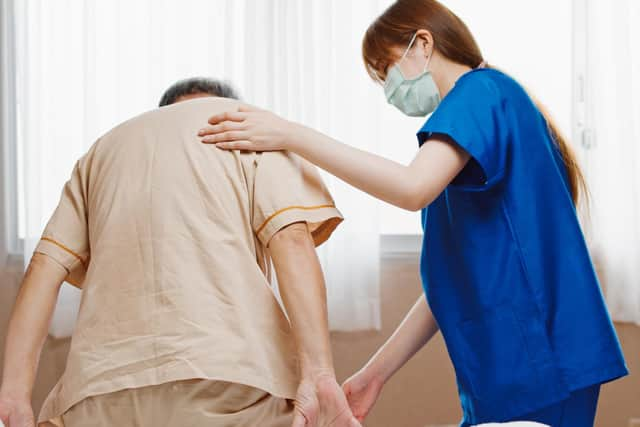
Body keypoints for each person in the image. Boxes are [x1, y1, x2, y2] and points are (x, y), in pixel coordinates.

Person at [197, 1, 629, 426]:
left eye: (384, 71)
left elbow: (410, 188)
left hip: (541, 358)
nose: (388, 91)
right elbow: (447, 282)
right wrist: (374, 375)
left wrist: (291, 135)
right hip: (509, 366)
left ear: (423, 43)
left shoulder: (480, 93)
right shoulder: (466, 130)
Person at [0, 78, 362, 427]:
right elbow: (292, 241)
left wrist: (14, 396)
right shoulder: (255, 133)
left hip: (98, 391)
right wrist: (319, 374)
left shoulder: (102, 151)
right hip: (234, 380)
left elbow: (45, 266)